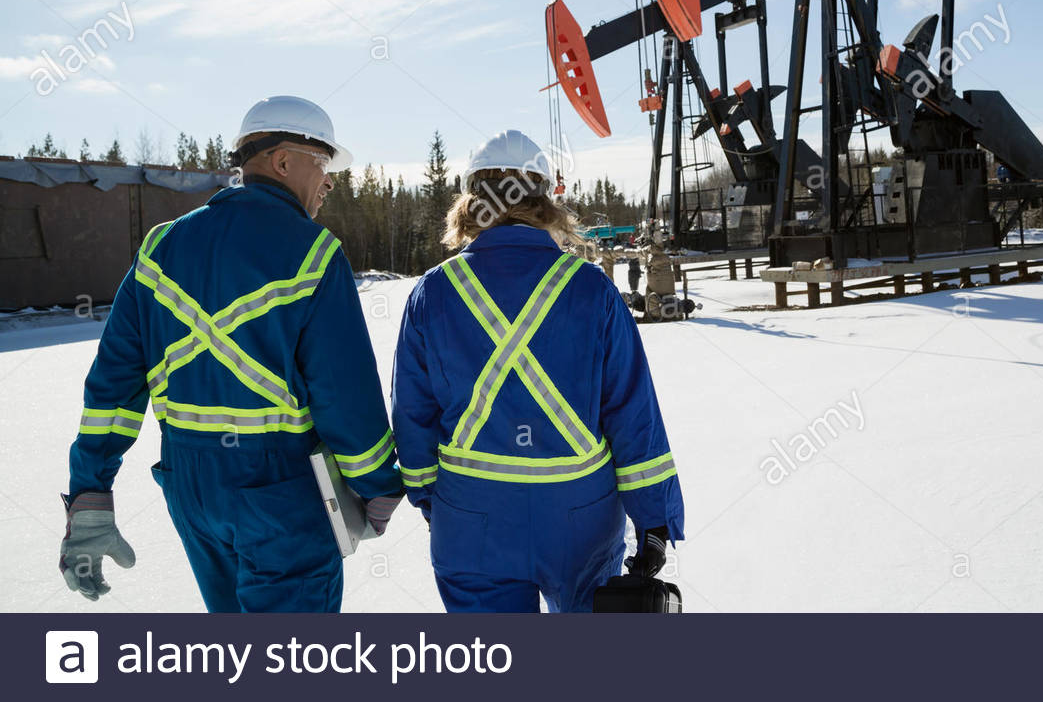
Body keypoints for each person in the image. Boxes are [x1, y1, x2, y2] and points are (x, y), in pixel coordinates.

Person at [60, 95, 403, 612]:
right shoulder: (314, 252)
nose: (330, 181)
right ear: (284, 161)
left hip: (189, 485)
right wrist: (377, 485)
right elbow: (343, 394)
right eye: (324, 164)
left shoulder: (160, 247)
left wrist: (90, 490)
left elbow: (113, 383)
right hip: (281, 491)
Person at [391, 130, 684, 612]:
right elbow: (633, 412)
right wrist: (654, 518)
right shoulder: (591, 289)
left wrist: (434, 501)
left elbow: (413, 414)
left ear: (470, 201)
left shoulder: (433, 292)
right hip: (580, 516)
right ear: (545, 198)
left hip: (472, 515)